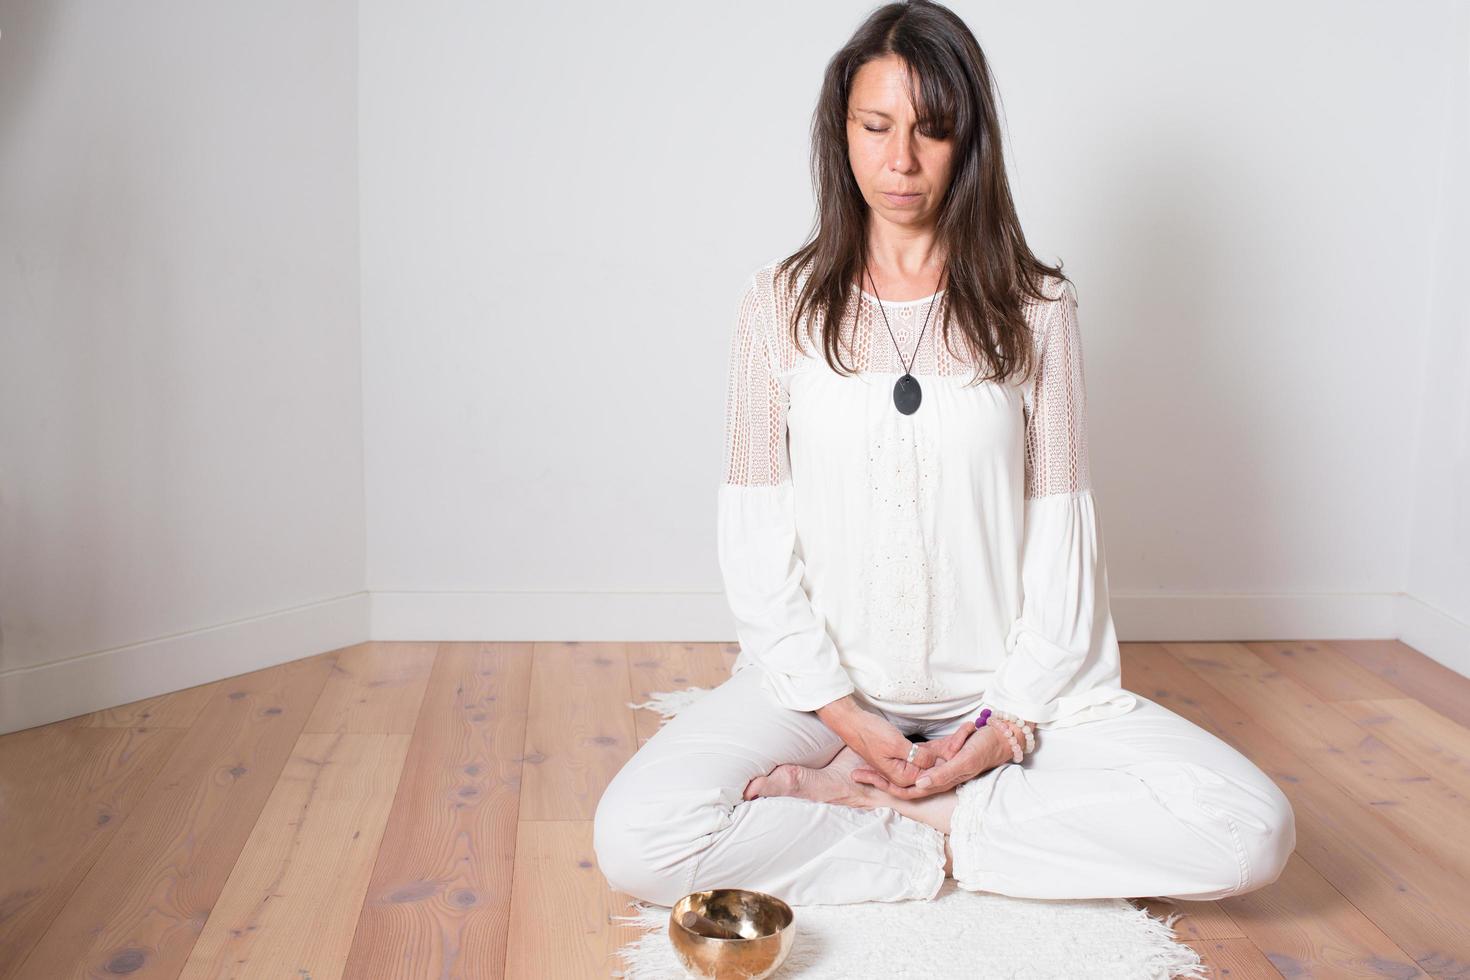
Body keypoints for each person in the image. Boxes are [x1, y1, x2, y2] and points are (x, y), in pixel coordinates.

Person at [593, 0, 1295, 908]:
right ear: (839, 130)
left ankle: (921, 822)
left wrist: (1002, 731)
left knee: (1250, 829)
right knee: (638, 838)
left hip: (1006, 694)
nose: (901, 161)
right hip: (824, 694)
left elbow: (1062, 540)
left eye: (932, 131)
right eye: (876, 126)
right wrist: (842, 714)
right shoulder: (779, 302)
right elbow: (757, 545)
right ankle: (941, 831)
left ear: (970, 142)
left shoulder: (1039, 308)